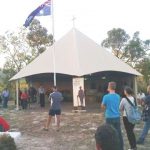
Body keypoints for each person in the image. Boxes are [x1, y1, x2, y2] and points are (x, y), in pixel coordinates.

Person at [101, 81, 124, 150]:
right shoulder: (118, 96)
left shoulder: (106, 96)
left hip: (109, 117)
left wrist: (107, 107)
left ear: (109, 87)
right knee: (118, 134)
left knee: (109, 134)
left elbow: (102, 106)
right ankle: (120, 148)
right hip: (117, 117)